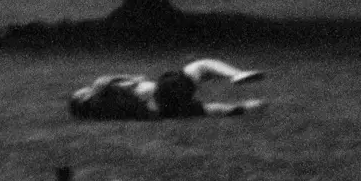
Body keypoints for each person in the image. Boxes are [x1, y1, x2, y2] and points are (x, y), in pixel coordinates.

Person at [69, 59, 267, 121]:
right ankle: (236, 75)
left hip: (164, 111)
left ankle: (249, 108)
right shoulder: (99, 90)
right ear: (83, 99)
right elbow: (108, 81)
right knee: (203, 66)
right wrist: (125, 78)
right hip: (162, 94)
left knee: (206, 110)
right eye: (80, 92)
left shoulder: (105, 112)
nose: (83, 89)